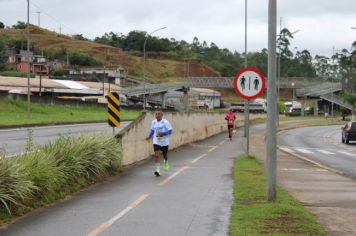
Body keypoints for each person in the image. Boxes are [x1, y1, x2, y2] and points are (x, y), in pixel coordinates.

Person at [145, 109, 173, 177]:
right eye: (156, 114)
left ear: (162, 115)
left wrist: (163, 133)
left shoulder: (165, 122)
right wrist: (149, 137)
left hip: (164, 141)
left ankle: (166, 162)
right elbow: (152, 130)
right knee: (157, 155)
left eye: (158, 114)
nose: (157, 115)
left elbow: (170, 131)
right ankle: (157, 170)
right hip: (156, 141)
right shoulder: (153, 122)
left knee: (165, 155)